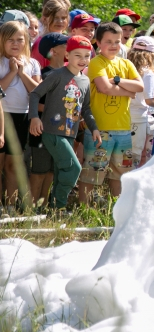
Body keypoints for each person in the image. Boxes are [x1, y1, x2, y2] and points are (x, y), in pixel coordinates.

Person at [28, 35, 99, 210]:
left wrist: (94, 128)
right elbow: (35, 94)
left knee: (61, 172)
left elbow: (86, 109)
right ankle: (59, 206)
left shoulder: (85, 81)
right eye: (77, 55)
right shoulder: (56, 75)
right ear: (67, 55)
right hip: (52, 132)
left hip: (70, 134)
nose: (82, 60)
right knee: (74, 168)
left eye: (86, 56)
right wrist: (34, 118)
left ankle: (53, 210)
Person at [82, 21, 144, 204]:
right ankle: (85, 209)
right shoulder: (96, 63)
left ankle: (117, 209)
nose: (113, 46)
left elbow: (140, 86)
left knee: (120, 174)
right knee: (92, 172)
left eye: (117, 42)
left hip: (123, 129)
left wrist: (116, 80)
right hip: (100, 129)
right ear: (98, 43)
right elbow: (103, 88)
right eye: (108, 41)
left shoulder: (126, 63)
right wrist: (127, 90)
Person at [0, 21, 42, 205]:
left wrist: (22, 73)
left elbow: (37, 92)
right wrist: (11, 72)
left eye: (20, 39)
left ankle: (10, 204)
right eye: (10, 40)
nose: (15, 44)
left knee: (13, 165)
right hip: (2, 115)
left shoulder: (32, 63)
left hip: (22, 116)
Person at [28, 33, 69, 205]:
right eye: (66, 44)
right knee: (39, 171)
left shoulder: (70, 74)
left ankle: (43, 207)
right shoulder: (45, 75)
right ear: (53, 51)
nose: (71, 47)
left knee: (52, 170)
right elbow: (34, 101)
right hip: (41, 129)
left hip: (60, 131)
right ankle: (29, 209)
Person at [126, 36, 154, 168]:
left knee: (123, 154)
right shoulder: (148, 73)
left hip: (123, 115)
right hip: (139, 118)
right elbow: (149, 100)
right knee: (135, 154)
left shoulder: (125, 68)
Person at [31, 0, 71, 68]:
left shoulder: (68, 41)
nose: (60, 21)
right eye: (55, 17)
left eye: (63, 18)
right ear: (44, 19)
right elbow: (37, 74)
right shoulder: (40, 44)